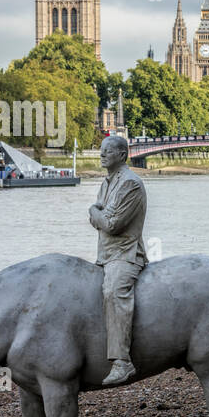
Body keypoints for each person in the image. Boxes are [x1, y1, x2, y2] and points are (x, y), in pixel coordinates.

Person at [89, 135, 148, 385]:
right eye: (101, 150)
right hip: (106, 254)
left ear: (122, 155)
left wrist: (94, 213)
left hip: (125, 254)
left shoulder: (130, 184)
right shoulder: (108, 181)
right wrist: (98, 214)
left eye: (108, 151)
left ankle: (122, 361)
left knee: (114, 292)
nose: (102, 154)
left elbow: (111, 224)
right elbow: (101, 216)